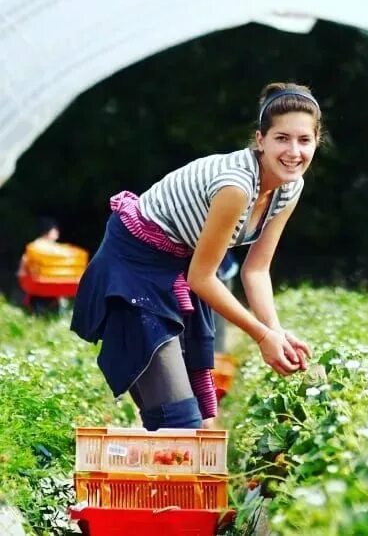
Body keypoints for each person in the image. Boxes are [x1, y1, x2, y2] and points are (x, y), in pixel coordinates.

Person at [71, 82, 319, 430]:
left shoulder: (290, 186)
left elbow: (257, 270)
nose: (294, 151)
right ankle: (151, 475)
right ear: (260, 140)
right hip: (134, 267)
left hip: (177, 265)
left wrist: (275, 331)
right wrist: (261, 337)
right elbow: (201, 278)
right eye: (282, 138)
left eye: (304, 140)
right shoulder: (235, 186)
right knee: (180, 422)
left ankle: (160, 476)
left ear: (315, 142)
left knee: (196, 421)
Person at [18, 217, 63, 316]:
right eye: (55, 229)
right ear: (48, 231)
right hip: (43, 291)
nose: (57, 232)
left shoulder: (34, 246)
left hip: (41, 290)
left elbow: (22, 270)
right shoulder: (50, 248)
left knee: (38, 317)